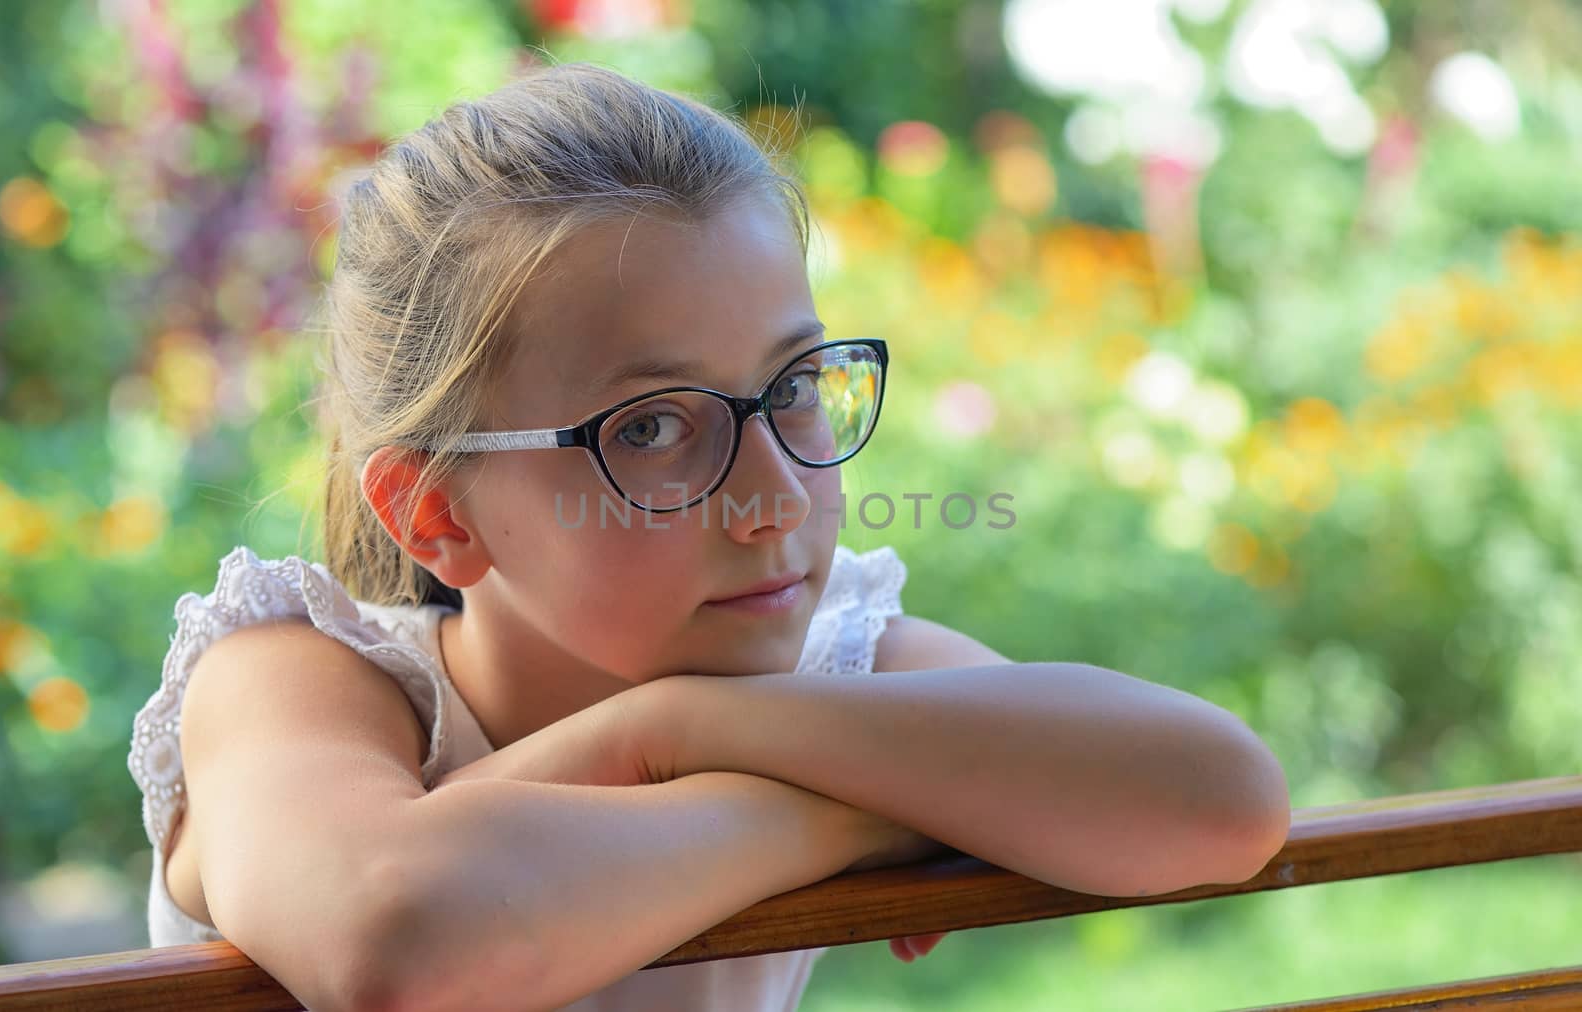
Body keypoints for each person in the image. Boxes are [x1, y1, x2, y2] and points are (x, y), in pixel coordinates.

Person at [126, 61, 1291, 1012]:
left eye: (793, 384)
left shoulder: (802, 666)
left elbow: (1219, 800)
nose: (777, 497)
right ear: (438, 512)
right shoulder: (296, 679)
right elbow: (397, 943)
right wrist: (874, 807)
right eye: (652, 427)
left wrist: (674, 727)